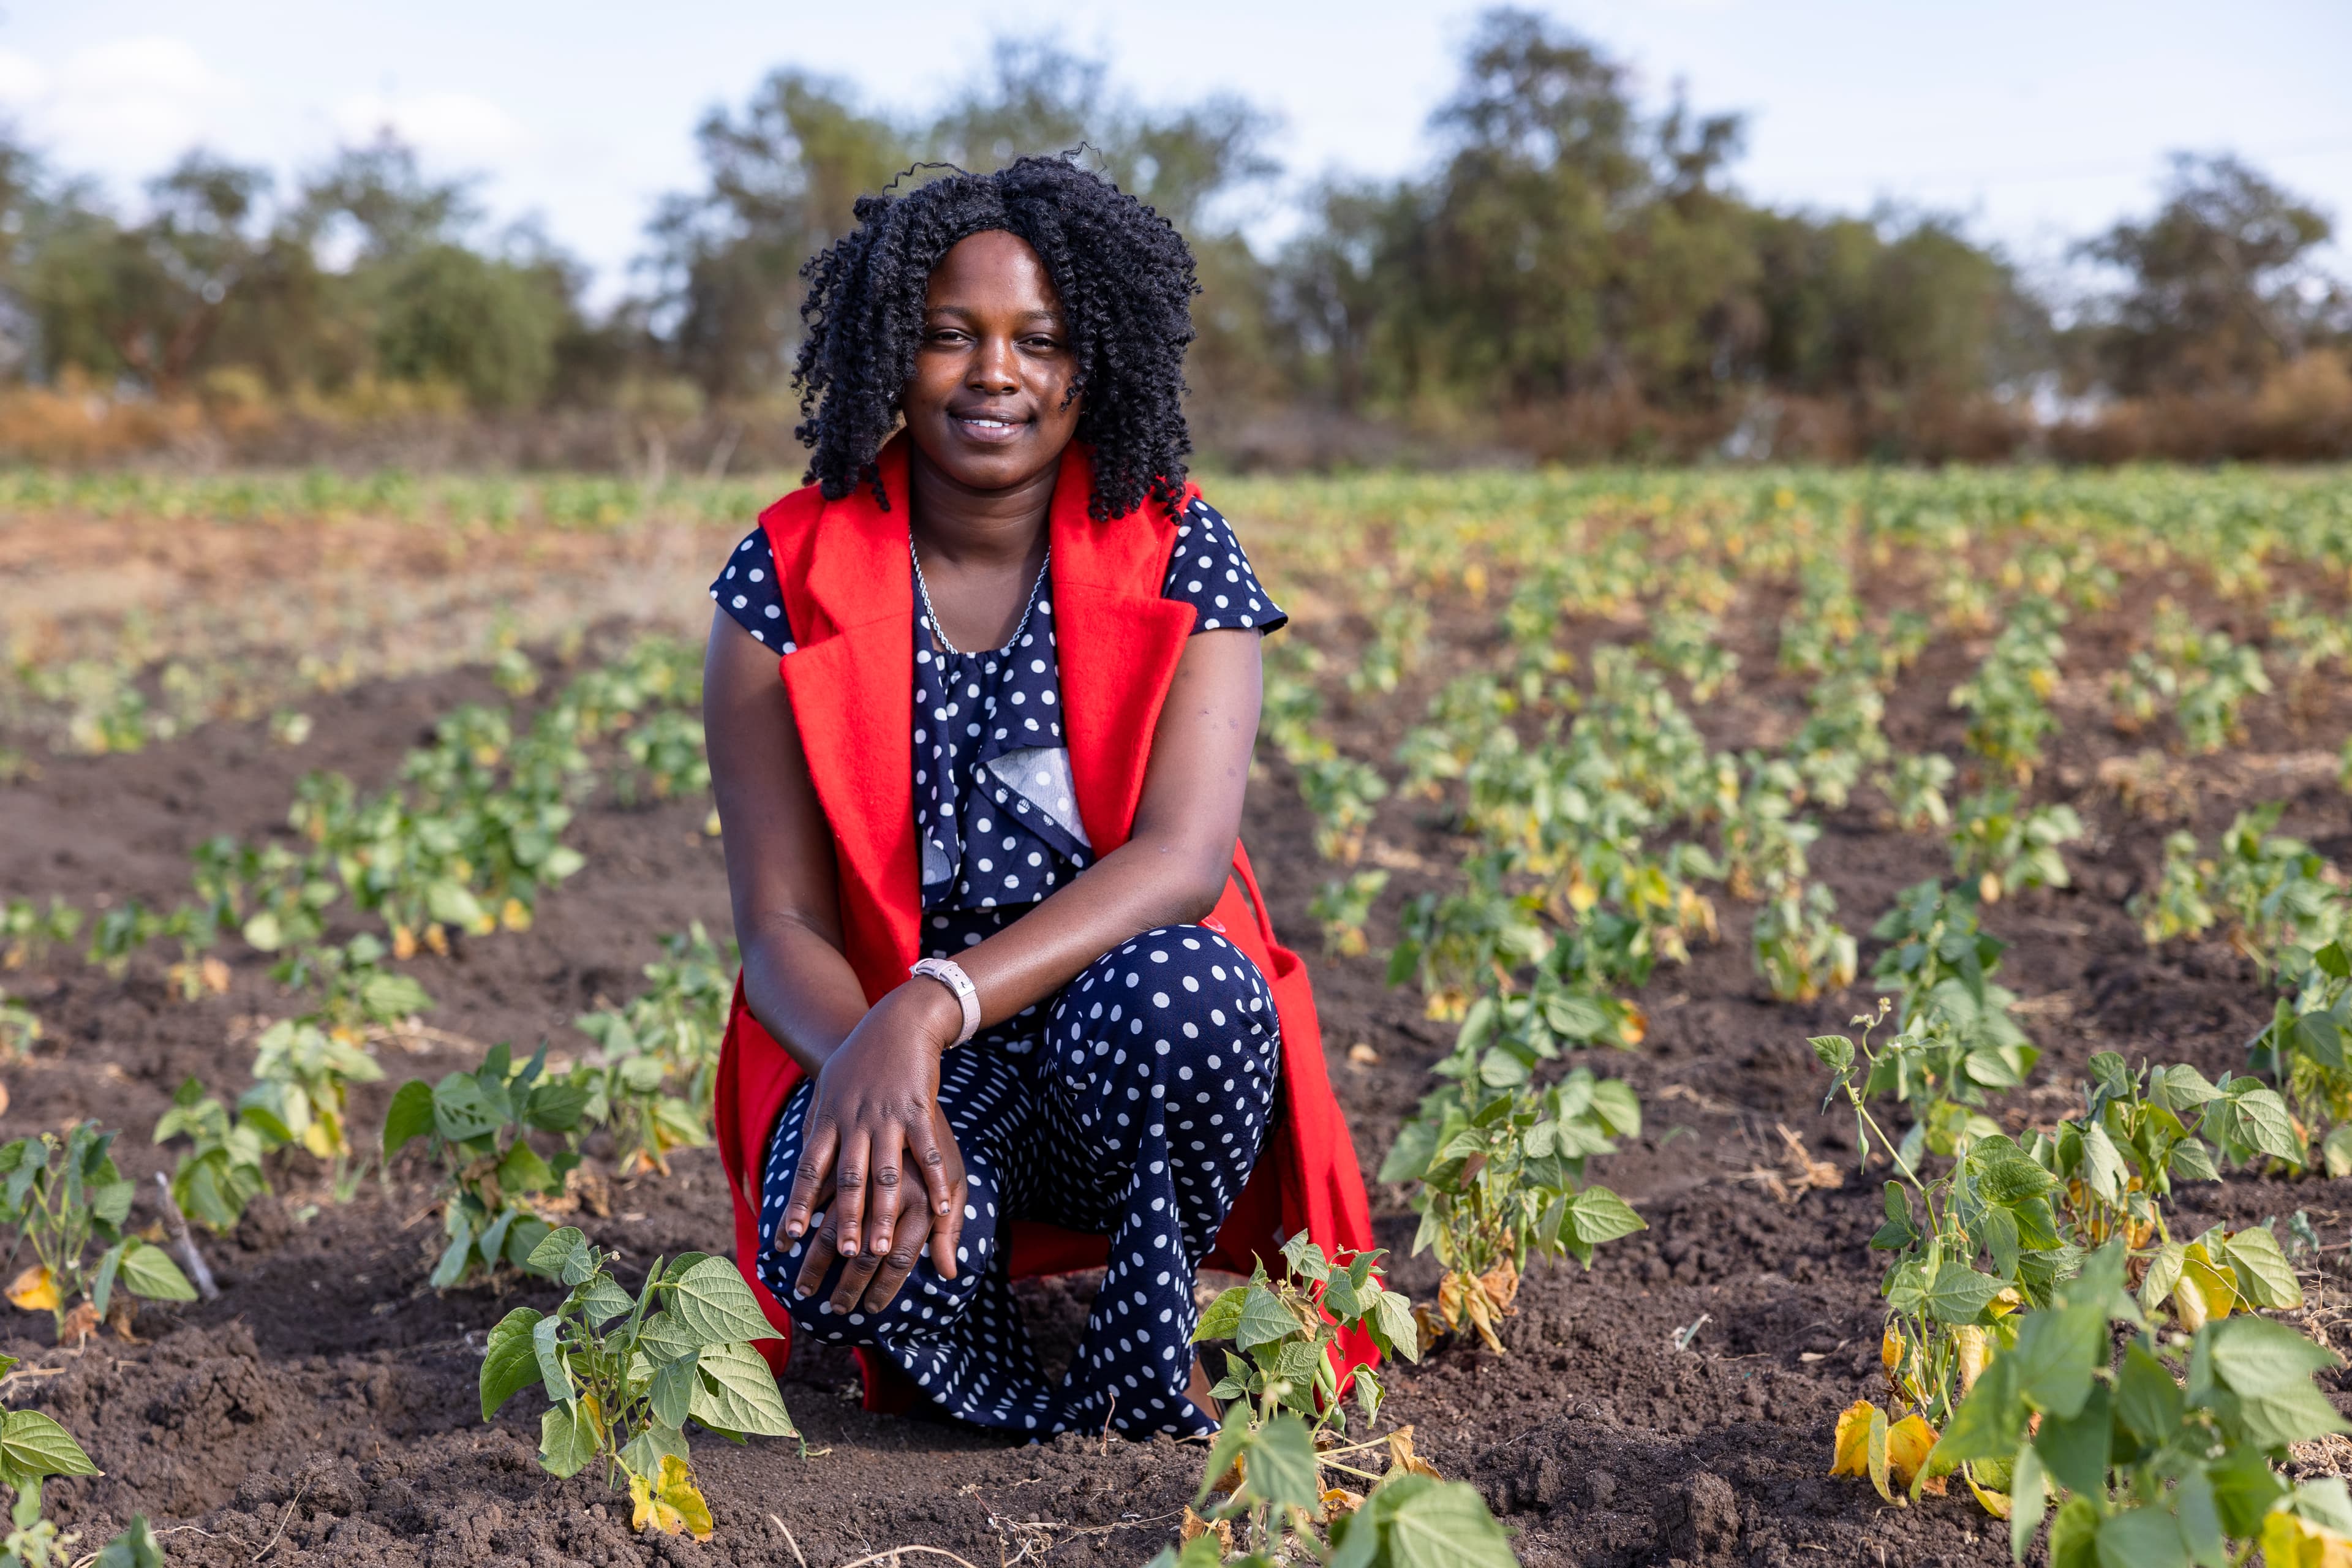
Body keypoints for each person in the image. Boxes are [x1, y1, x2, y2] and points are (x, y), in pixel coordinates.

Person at [705, 155, 1372, 1440]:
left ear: (1094, 361)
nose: (995, 371)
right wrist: (872, 1069)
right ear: (894, 349)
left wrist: (934, 1001)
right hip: (903, 1051)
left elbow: (1183, 860)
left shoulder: (1183, 549)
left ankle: (1146, 1346)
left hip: (1107, 1050)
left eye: (1040, 339)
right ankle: (1002, 1390)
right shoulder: (782, 574)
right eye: (952, 334)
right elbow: (779, 922)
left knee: (1192, 988)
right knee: (825, 1231)